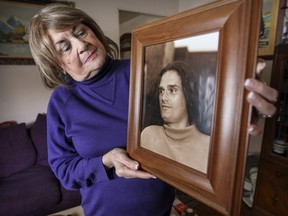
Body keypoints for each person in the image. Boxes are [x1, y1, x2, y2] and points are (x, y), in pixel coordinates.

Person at [27, 4, 278, 216]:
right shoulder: (62, 102)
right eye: (64, 46)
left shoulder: (142, 70)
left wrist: (239, 104)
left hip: (162, 208)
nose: (81, 44)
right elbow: (64, 169)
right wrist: (106, 160)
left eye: (80, 32)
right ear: (57, 66)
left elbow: (197, 113)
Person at [141, 62, 210, 173]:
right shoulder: (148, 135)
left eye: (172, 90)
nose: (163, 98)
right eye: (161, 91)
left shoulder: (208, 147)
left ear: (188, 95)